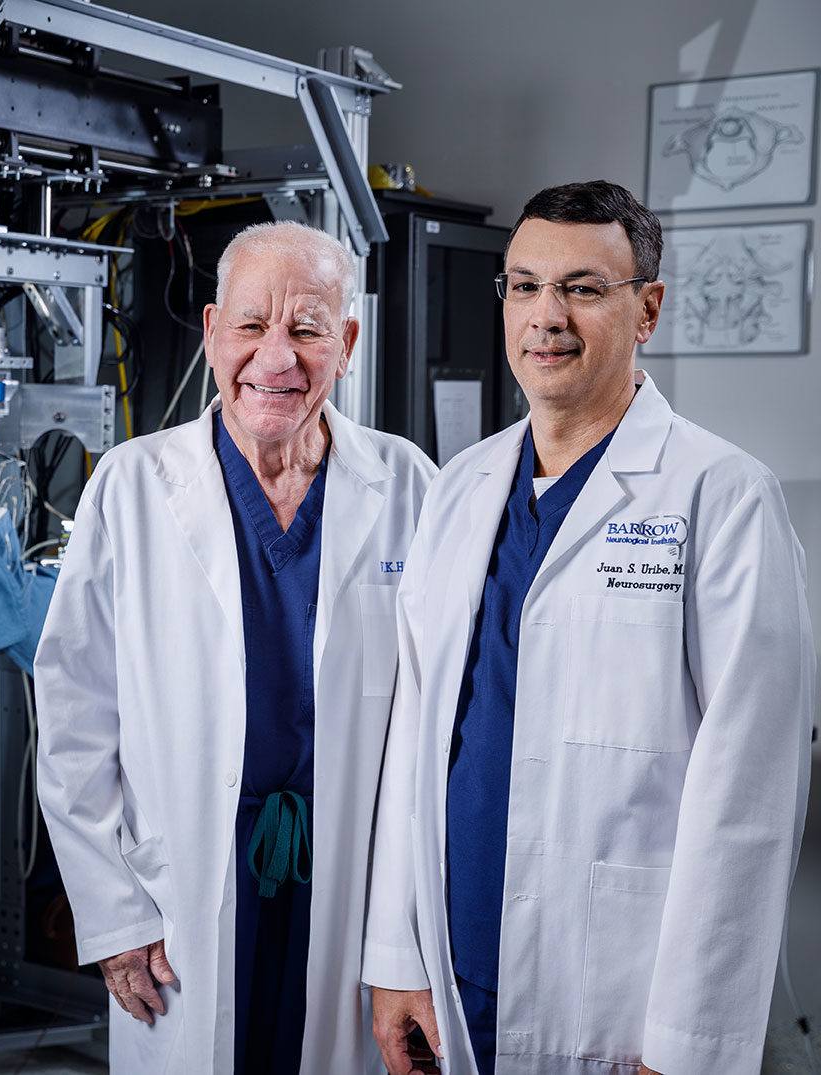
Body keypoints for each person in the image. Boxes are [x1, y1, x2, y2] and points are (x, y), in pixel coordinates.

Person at [362, 180, 815, 1075]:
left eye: (581, 287)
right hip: (457, 964)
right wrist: (393, 958)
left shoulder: (720, 496)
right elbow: (412, 734)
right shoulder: (462, 486)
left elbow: (749, 791)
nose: (546, 316)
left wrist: (688, 1045)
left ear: (647, 308)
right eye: (524, 286)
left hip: (619, 985)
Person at [35, 220, 435, 1073]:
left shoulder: (408, 484)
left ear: (349, 341)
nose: (275, 358)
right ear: (213, 330)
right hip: (180, 880)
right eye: (252, 326)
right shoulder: (134, 485)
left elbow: (438, 724)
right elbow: (72, 712)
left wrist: (410, 933)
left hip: (353, 880)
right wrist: (114, 915)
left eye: (306, 327)